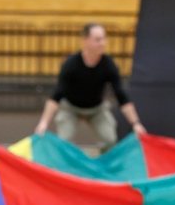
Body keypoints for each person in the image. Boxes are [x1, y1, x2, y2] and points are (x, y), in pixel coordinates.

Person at [34, 23, 146, 153]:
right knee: (64, 141)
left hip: (96, 108)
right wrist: (43, 123)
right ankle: (65, 171)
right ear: (85, 40)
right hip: (70, 108)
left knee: (109, 140)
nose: (102, 43)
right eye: (97, 39)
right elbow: (56, 95)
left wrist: (136, 123)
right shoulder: (71, 64)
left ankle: (106, 170)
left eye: (103, 39)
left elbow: (121, 96)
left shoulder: (108, 65)